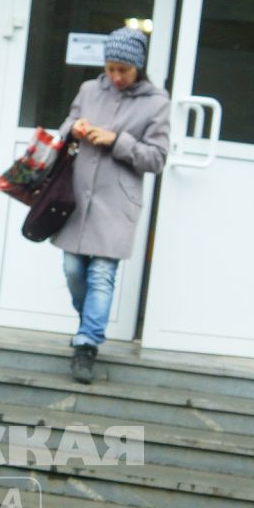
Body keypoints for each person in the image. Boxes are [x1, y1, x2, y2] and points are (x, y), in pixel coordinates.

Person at [49, 26, 170, 384]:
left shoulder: (157, 103)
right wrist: (75, 128)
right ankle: (90, 322)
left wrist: (118, 141)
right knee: (73, 268)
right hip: (76, 196)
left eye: (124, 70)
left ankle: (86, 345)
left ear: (138, 68)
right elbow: (65, 125)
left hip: (117, 202)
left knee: (102, 274)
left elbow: (157, 159)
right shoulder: (89, 89)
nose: (115, 77)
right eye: (111, 68)